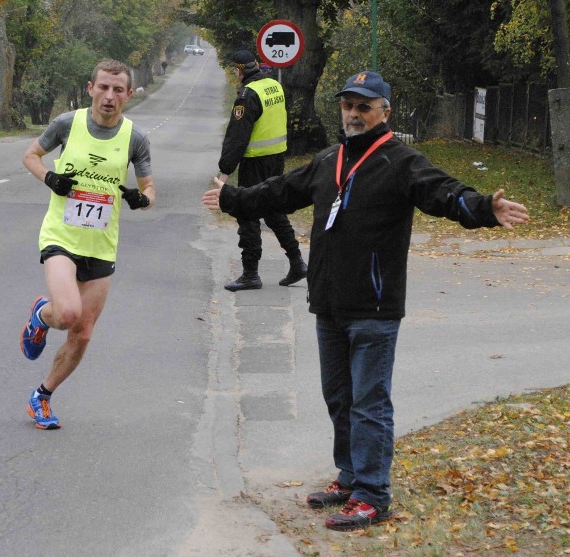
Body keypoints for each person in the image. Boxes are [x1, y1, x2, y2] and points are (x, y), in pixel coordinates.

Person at [202, 70, 530, 531]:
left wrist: (484, 210)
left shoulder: (400, 161)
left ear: (384, 112)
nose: (353, 114)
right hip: (329, 301)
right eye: (348, 106)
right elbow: (281, 190)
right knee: (338, 396)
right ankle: (350, 476)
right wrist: (233, 197)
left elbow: (443, 192)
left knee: (369, 401)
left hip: (374, 307)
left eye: (364, 107)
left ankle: (373, 495)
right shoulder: (329, 159)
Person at [20, 59, 156, 430]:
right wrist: (51, 178)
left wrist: (141, 199)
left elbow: (149, 188)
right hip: (61, 236)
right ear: (91, 88)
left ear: (128, 94)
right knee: (66, 314)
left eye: (118, 90)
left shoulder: (135, 138)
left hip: (101, 245)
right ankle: (42, 315)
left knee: (82, 334)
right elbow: (30, 156)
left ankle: (42, 396)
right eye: (104, 87)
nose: (110, 96)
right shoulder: (68, 124)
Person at [217, 50, 307, 292]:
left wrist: (224, 172)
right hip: (276, 159)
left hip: (255, 161)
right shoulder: (274, 86)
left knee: (247, 211)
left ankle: (250, 274)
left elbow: (237, 137)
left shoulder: (248, 95)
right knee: (274, 209)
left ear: (239, 70)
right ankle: (297, 262)